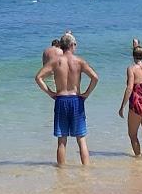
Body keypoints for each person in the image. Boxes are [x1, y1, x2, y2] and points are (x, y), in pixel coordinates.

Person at [35, 34, 98, 167]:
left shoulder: (55, 62)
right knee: (81, 139)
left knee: (62, 140)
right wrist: (86, 94)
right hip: (76, 99)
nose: (76, 46)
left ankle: (61, 173)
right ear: (71, 45)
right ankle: (86, 171)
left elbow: (38, 77)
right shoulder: (79, 61)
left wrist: (50, 93)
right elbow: (95, 78)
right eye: (75, 44)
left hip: (61, 99)